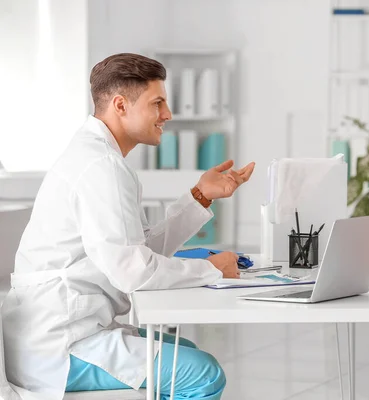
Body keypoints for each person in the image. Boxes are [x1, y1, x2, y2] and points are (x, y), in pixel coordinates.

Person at [1, 53, 254, 399]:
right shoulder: (100, 166)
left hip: (65, 331)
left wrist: (200, 196)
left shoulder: (100, 159)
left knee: (185, 350)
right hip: (60, 344)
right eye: (158, 103)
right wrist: (210, 269)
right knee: (203, 375)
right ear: (121, 105)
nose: (168, 114)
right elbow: (132, 271)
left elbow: (138, 251)